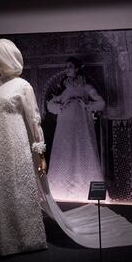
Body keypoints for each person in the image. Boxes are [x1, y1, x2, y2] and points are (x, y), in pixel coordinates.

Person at [0, 38, 47, 256]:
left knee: (18, 187)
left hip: (16, 142)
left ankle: (26, 238)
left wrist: (40, 153)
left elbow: (34, 120)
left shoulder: (23, 85)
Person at [47, 57, 105, 202]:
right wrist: (61, 107)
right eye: (66, 67)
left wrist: (87, 106)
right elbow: (50, 105)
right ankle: (60, 190)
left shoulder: (86, 87)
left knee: (84, 149)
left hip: (82, 125)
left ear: (77, 68)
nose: (67, 69)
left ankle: (87, 190)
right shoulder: (62, 88)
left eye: (70, 66)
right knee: (64, 151)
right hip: (65, 125)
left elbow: (101, 103)